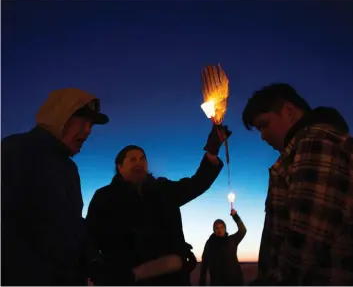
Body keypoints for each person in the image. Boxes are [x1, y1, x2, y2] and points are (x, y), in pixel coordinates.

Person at [85, 124, 231, 285]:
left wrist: (212, 152)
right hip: (127, 280)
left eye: (142, 158)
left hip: (173, 279)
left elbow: (196, 184)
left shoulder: (163, 190)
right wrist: (97, 268)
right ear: (120, 167)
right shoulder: (105, 197)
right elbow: (89, 238)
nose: (139, 163)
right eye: (132, 159)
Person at [242, 83, 353, 285]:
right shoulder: (302, 148)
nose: (263, 136)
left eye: (264, 125)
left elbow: (307, 241)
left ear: (289, 111)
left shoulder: (316, 140)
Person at [1, 87, 109, 285]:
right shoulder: (14, 152)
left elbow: (73, 223)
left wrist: (93, 260)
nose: (88, 130)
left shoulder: (69, 169)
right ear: (59, 114)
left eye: (91, 124)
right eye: (83, 119)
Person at [199, 209, 247, 286]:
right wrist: (202, 283)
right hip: (217, 282)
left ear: (225, 228)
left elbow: (243, 230)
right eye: (217, 228)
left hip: (235, 281)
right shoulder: (210, 243)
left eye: (221, 227)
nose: (219, 230)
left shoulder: (232, 240)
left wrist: (235, 216)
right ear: (214, 230)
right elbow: (204, 263)